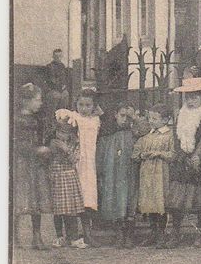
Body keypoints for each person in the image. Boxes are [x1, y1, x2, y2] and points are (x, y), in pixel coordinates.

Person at [166, 77, 201, 249]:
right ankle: (176, 233)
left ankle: (199, 234)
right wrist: (180, 154)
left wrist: (196, 155)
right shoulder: (181, 113)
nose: (191, 101)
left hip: (199, 159)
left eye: (195, 97)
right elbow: (177, 136)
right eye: (188, 97)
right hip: (182, 158)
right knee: (176, 199)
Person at [55, 92, 101, 244]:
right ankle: (72, 234)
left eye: (88, 105)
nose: (84, 108)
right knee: (74, 197)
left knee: (88, 197)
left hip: (90, 163)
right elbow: (61, 124)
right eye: (81, 105)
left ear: (94, 106)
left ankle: (88, 233)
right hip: (76, 162)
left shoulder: (96, 120)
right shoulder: (73, 117)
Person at [13, 83, 51, 250]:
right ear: (25, 101)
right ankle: (14, 237)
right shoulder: (16, 120)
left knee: (36, 200)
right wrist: (37, 150)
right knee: (20, 200)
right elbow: (17, 145)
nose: (40, 103)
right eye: (37, 100)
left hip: (35, 165)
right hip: (22, 163)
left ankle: (37, 236)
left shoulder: (37, 119)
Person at [131, 104, 175, 247]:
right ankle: (153, 232)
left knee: (160, 203)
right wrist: (141, 155)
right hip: (147, 174)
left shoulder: (169, 135)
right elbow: (135, 154)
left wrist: (159, 154)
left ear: (166, 120)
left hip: (161, 174)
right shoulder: (146, 136)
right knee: (149, 203)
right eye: (150, 118)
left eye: (155, 118)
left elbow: (173, 155)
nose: (152, 121)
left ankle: (161, 234)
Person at [96, 105, 138, 248]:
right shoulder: (108, 133)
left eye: (129, 117)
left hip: (129, 173)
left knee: (130, 200)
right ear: (115, 115)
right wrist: (100, 172)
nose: (125, 119)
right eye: (122, 115)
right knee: (116, 201)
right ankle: (119, 234)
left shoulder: (134, 133)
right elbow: (101, 154)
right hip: (113, 173)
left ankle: (130, 235)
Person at [48, 116, 86, 249]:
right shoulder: (53, 143)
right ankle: (60, 236)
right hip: (57, 177)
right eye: (59, 132)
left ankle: (73, 237)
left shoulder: (74, 144)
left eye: (65, 132)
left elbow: (74, 159)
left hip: (69, 177)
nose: (61, 135)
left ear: (71, 133)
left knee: (71, 209)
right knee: (58, 210)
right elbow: (48, 158)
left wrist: (65, 149)